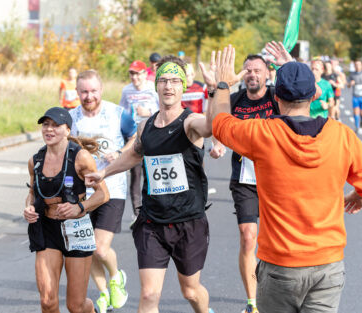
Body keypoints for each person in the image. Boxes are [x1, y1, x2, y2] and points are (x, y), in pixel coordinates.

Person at [208, 42, 362, 313]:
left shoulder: (262, 134)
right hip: (328, 265)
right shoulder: (342, 136)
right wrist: (357, 196)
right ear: (314, 95)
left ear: (276, 97)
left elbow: (220, 123)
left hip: (281, 266)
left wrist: (222, 86)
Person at [85, 55, 228, 313]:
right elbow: (134, 154)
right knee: (149, 295)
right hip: (152, 222)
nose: (168, 86)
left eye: (175, 80)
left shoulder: (189, 122)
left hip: (188, 221)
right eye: (163, 80)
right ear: (156, 85)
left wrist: (214, 90)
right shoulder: (145, 126)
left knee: (191, 291)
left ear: (183, 85)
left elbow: (210, 126)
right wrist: (103, 173)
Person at [211, 52, 279, 313]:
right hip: (245, 178)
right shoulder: (236, 100)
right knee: (248, 237)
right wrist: (218, 145)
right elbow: (220, 124)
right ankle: (253, 303)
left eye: (257, 70)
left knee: (274, 238)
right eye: (248, 70)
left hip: (276, 177)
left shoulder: (276, 97)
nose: (252, 74)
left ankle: (275, 292)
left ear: (267, 74)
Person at [24, 107, 109, 313]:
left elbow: (103, 194)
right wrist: (28, 207)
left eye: (55, 126)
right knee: (47, 301)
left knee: (76, 306)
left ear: (68, 130)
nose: (49, 130)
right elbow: (33, 194)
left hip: (76, 228)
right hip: (47, 229)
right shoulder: (35, 161)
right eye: (46, 125)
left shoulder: (81, 157)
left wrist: (79, 207)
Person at [70, 70, 137, 313]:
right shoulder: (70, 118)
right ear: (77, 92)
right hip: (80, 193)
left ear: (101, 90)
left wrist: (120, 154)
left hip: (112, 188)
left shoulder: (118, 114)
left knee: (99, 247)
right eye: (84, 91)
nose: (89, 96)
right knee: (86, 249)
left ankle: (116, 276)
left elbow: (135, 137)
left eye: (93, 91)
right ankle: (103, 293)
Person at [120, 60, 160, 220]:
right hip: (133, 139)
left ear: (145, 73)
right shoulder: (126, 90)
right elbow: (121, 111)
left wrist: (148, 112)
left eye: (138, 73)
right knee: (135, 175)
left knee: (151, 174)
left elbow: (164, 110)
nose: (135, 77)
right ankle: (137, 214)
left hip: (152, 136)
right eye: (132, 73)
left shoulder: (153, 88)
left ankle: (154, 210)